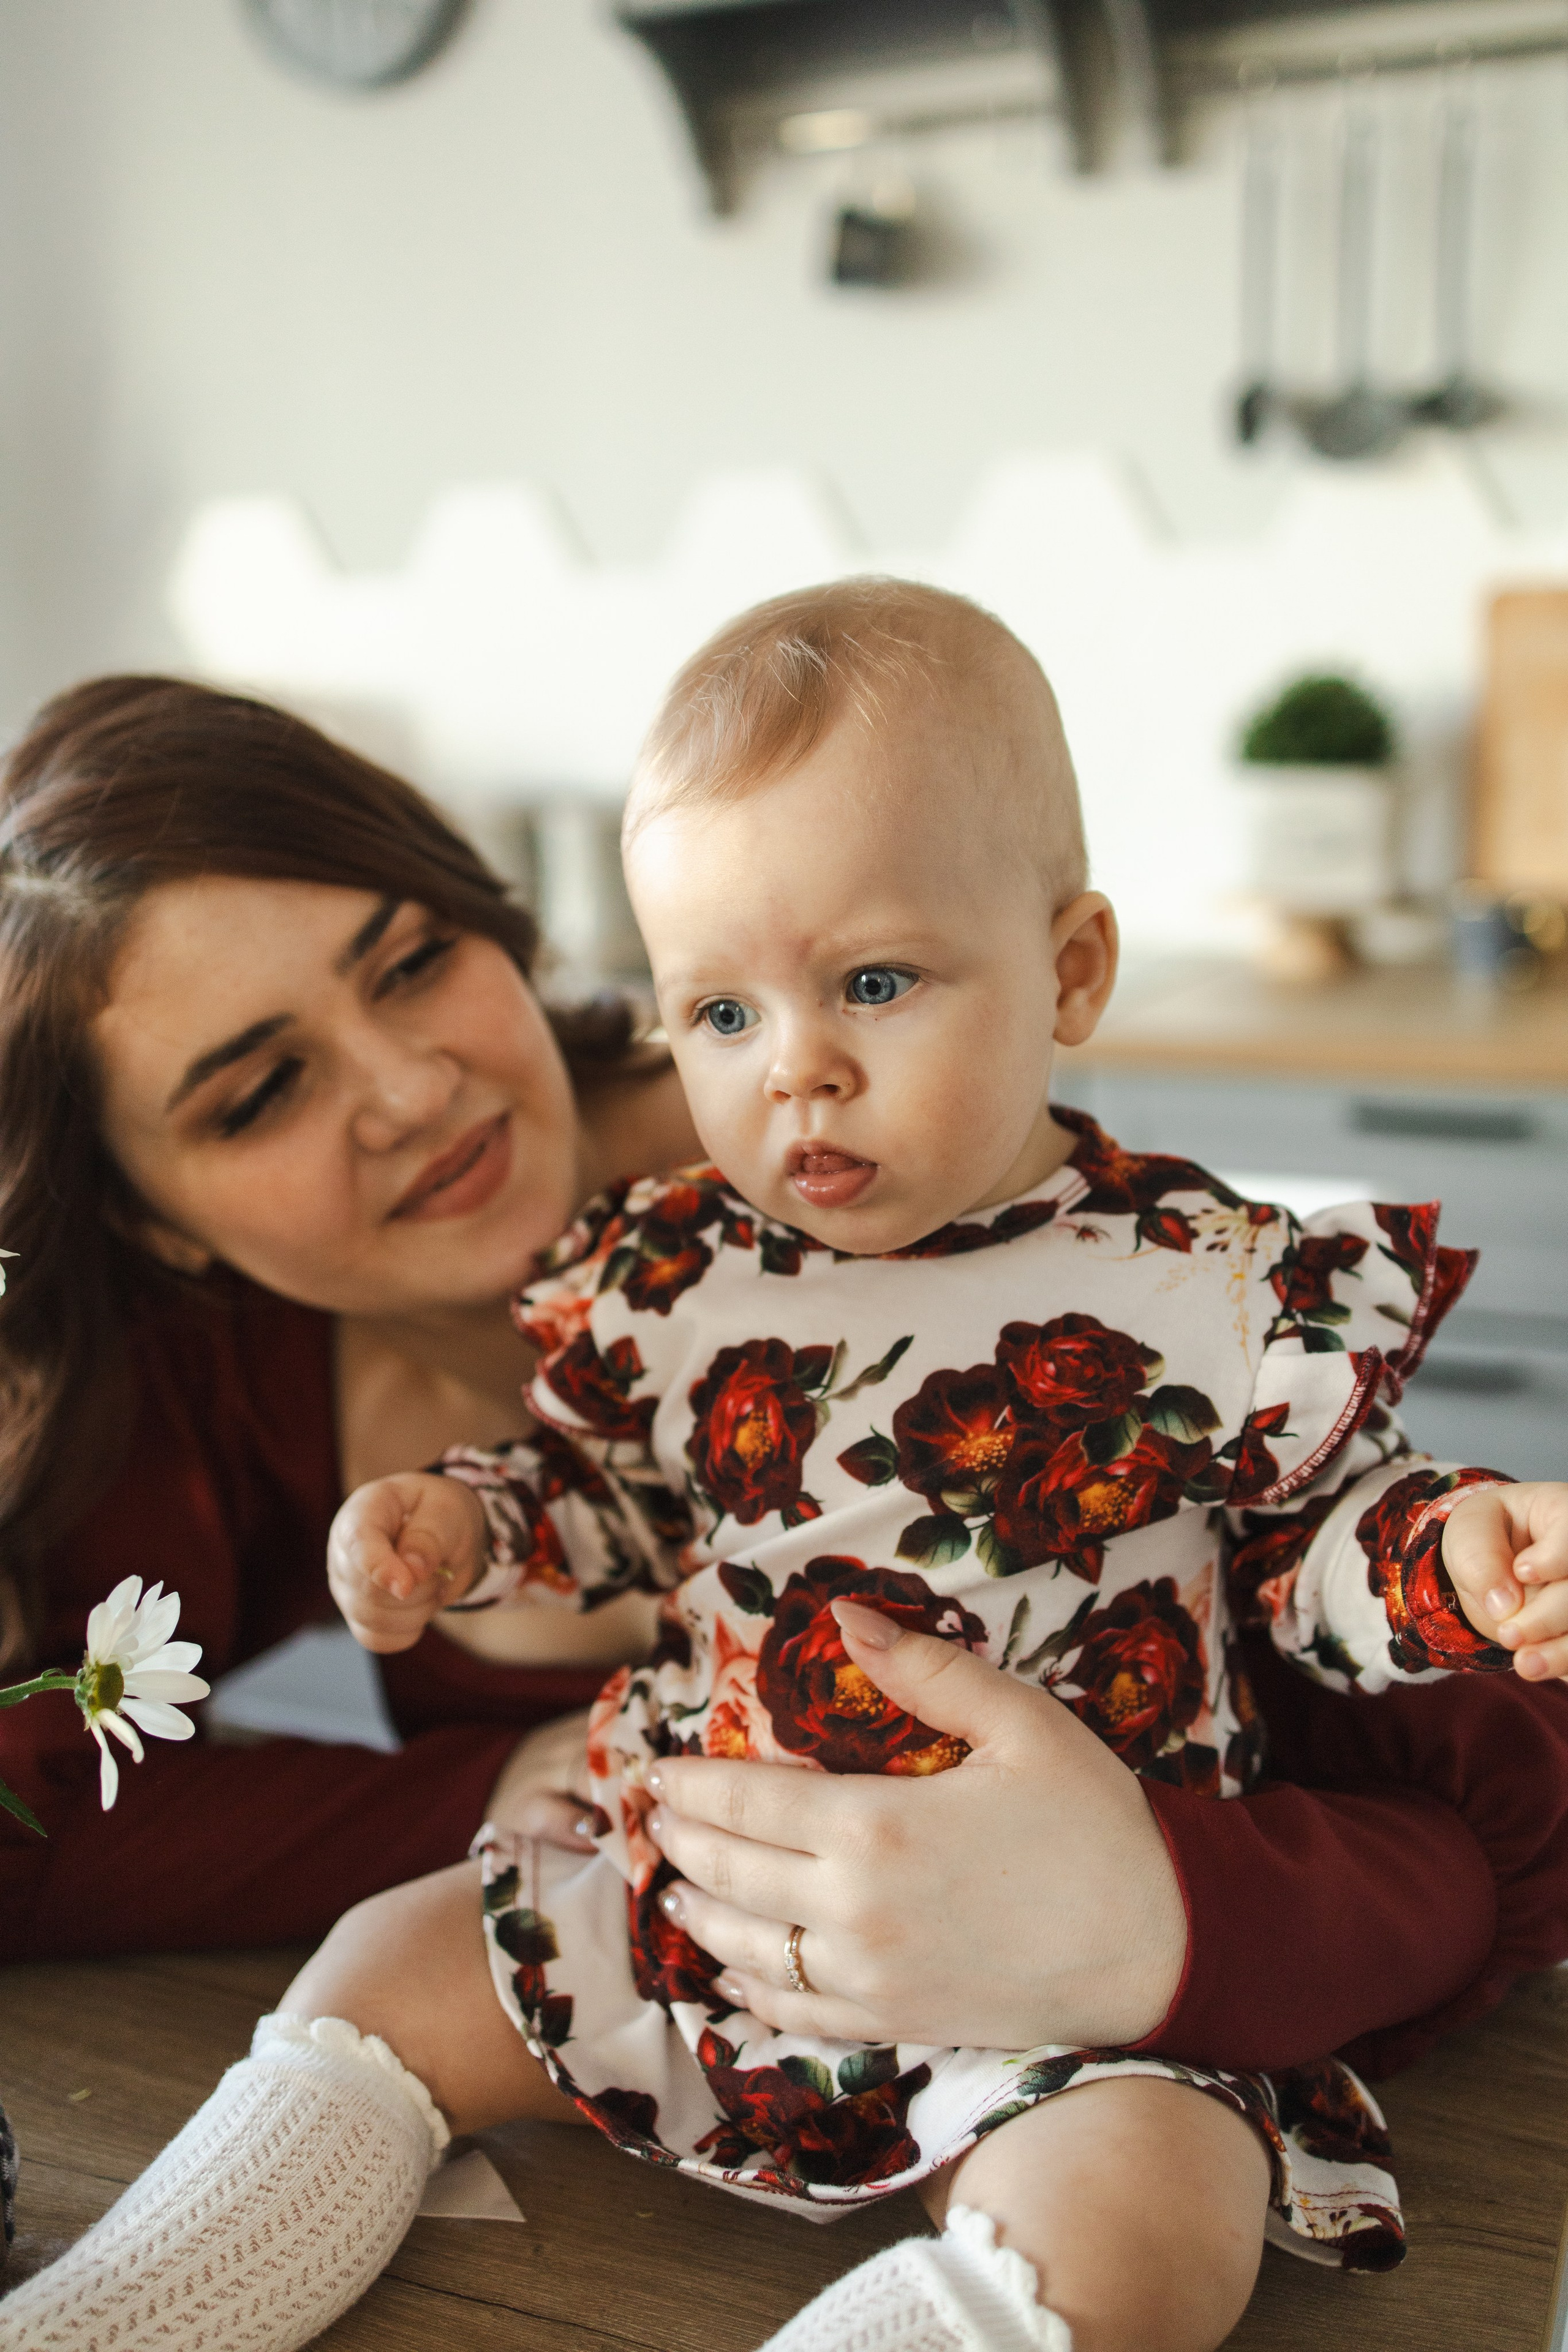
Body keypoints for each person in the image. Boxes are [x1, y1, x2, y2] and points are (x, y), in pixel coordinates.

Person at [9, 593, 1564, 2352]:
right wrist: (476, 1524)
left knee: (1149, 2220)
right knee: (389, 1962)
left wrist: (1448, 1569)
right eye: (259, 1090)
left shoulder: (1184, 1276)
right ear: (154, 1226)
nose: (407, 1087)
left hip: (1069, 1978)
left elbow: (1338, 1574)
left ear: (1067, 971)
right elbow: (610, 1494)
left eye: (408, 962)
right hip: (682, 1898)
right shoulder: (667, 1281)